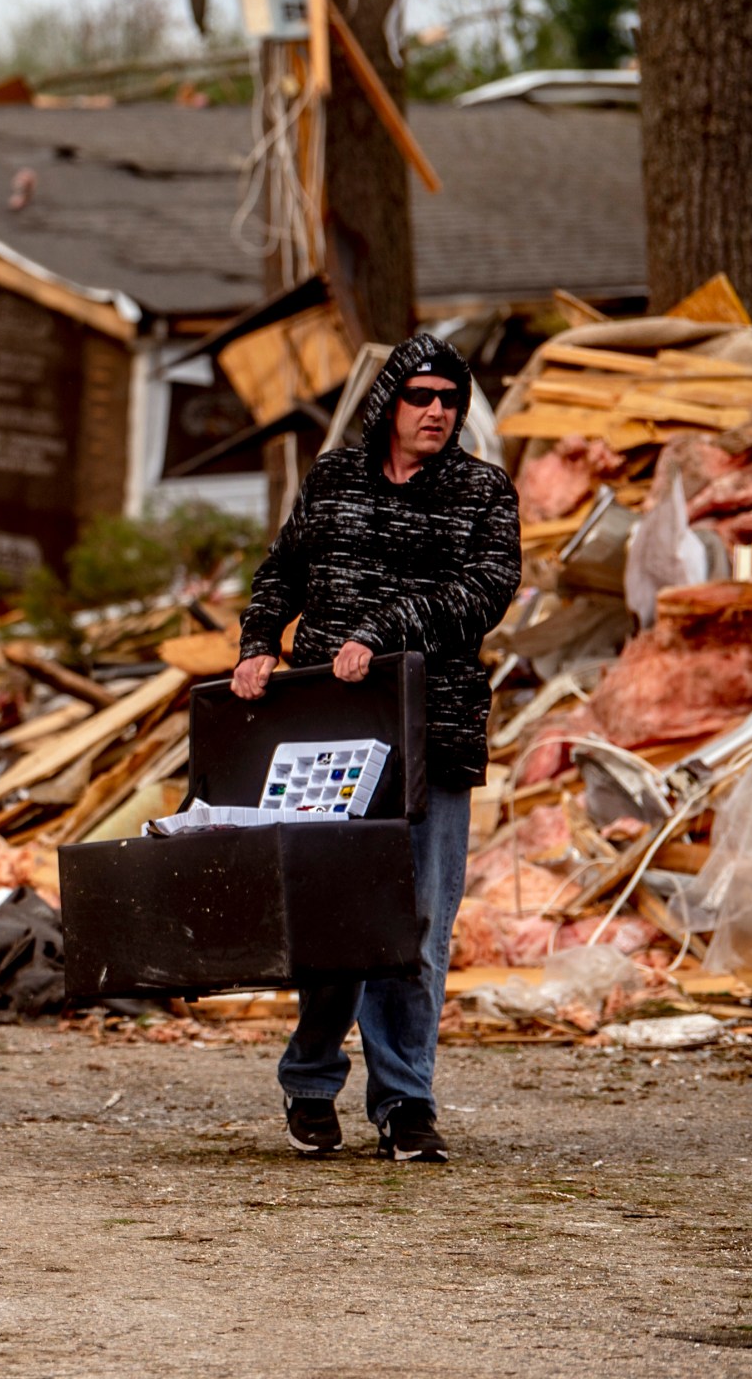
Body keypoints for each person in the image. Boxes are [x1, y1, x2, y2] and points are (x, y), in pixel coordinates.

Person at [232, 333, 520, 1164]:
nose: (438, 412)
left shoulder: (480, 492)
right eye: (421, 396)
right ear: (388, 402)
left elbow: (487, 588)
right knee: (332, 915)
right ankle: (312, 1079)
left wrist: (382, 631)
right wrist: (259, 642)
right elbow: (280, 573)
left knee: (418, 926)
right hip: (330, 733)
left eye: (450, 400)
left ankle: (405, 1102)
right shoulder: (332, 479)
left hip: (435, 732)